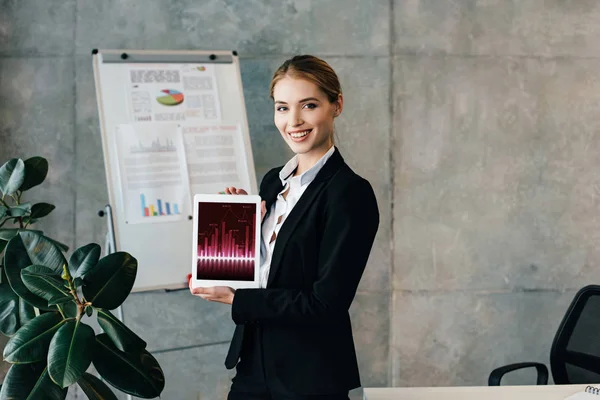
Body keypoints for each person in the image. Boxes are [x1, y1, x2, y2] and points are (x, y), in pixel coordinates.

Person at [189, 55, 380, 400]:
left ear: (336, 105)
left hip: (309, 376)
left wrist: (238, 301)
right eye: (282, 108)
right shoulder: (272, 183)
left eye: (308, 105)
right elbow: (269, 275)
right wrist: (236, 231)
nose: (293, 121)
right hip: (253, 365)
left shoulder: (349, 193)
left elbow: (325, 303)